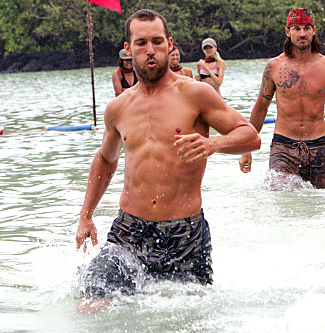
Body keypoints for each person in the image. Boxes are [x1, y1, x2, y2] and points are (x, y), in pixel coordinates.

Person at [75, 9, 260, 310]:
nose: (151, 51)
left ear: (169, 44)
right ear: (128, 48)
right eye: (141, 43)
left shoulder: (196, 94)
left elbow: (250, 136)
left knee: (189, 317)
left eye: (157, 42)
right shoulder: (118, 108)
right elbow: (105, 160)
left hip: (185, 235)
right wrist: (86, 215)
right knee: (90, 304)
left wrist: (213, 143)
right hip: (128, 232)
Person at [239, 8, 325, 189]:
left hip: (318, 147)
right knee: (280, 201)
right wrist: (247, 147)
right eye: (296, 28)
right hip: (283, 147)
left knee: (321, 203)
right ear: (288, 32)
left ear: (314, 30)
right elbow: (261, 106)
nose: (302, 33)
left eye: (306, 28)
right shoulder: (274, 66)